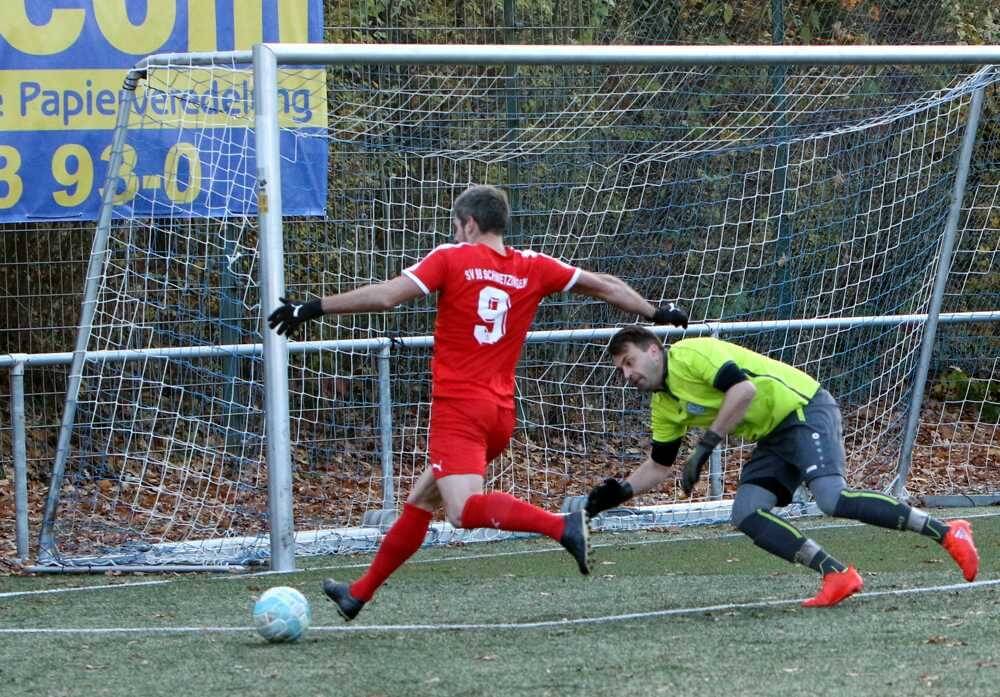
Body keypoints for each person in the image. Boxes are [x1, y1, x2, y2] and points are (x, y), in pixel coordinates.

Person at [267, 185, 688, 621]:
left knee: (463, 511)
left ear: (468, 224)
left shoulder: (451, 257)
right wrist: (655, 314)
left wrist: (312, 308)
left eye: (456, 226)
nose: (456, 232)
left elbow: (388, 296)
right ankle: (358, 594)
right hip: (500, 414)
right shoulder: (534, 267)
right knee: (420, 502)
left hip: (459, 410)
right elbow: (606, 286)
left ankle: (562, 526)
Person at [584, 326, 979, 607]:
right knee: (746, 513)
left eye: (629, 362)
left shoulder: (691, 353)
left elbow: (744, 390)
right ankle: (836, 574)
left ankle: (948, 532)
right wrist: (618, 493)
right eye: (621, 369)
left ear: (654, 350)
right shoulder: (663, 405)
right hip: (773, 434)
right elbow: (658, 465)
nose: (627, 374)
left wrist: (705, 446)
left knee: (831, 498)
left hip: (804, 409)